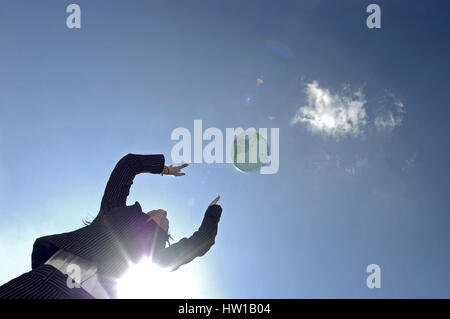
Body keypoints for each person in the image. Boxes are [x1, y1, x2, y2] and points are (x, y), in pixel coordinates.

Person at [0, 153, 222, 299]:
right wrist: (164, 169)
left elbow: (200, 243)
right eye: (158, 211)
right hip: (47, 283)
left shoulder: (154, 258)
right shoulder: (112, 213)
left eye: (166, 220)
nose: (164, 212)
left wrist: (212, 213)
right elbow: (128, 165)